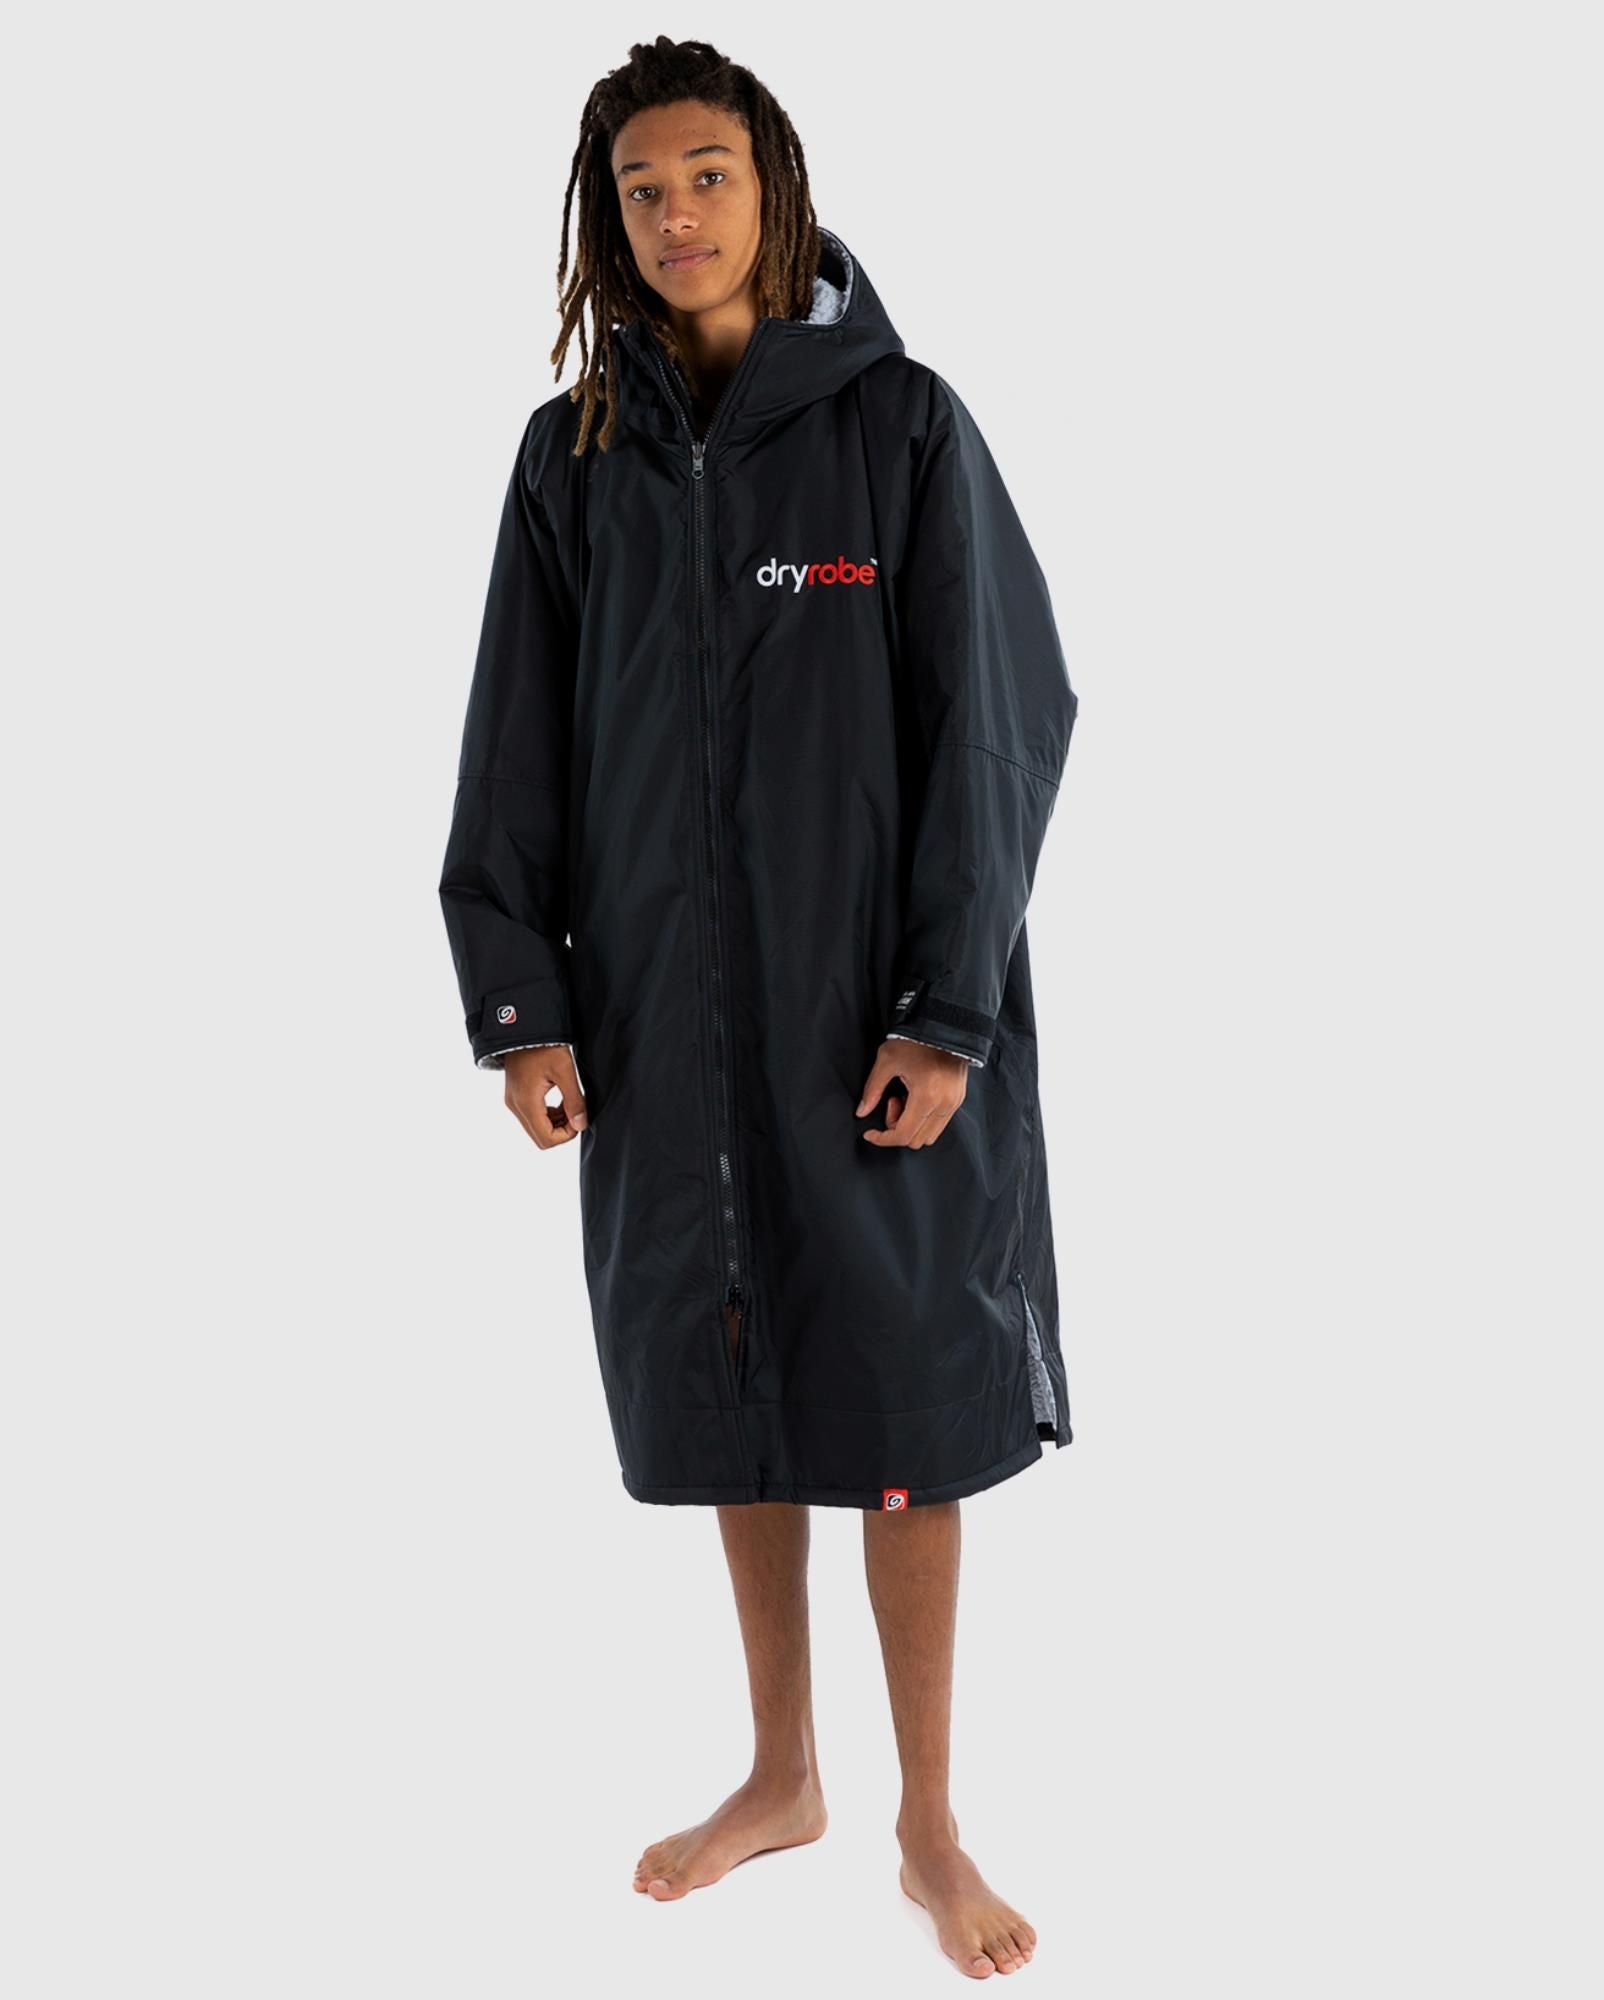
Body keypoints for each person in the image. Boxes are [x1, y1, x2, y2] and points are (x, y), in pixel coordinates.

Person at [438, 36, 1079, 1981]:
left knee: (901, 1407)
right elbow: (512, 747)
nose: (676, 216)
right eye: (640, 191)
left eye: (707, 175)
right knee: (731, 1384)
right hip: (664, 1020)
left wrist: (945, 1009)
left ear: (774, 188)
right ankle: (781, 1771)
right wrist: (523, 1003)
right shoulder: (574, 461)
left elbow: (998, 723)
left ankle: (928, 1821)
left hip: (872, 1017)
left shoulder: (899, 427)